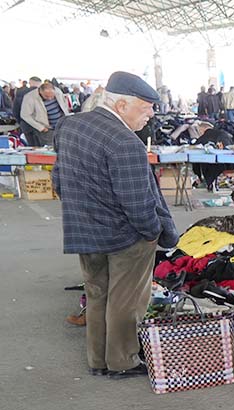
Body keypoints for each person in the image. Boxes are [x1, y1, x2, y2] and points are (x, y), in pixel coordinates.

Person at [54, 72, 178, 378]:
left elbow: (58, 178)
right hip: (125, 237)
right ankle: (122, 361)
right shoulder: (126, 142)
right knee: (127, 301)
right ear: (122, 105)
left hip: (84, 231)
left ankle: (98, 360)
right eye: (146, 107)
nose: (151, 114)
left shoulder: (69, 125)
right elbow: (137, 204)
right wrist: (152, 234)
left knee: (97, 295)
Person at [20, 82, 69, 147]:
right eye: (46, 96)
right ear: (40, 91)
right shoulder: (30, 97)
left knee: (63, 145)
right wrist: (41, 127)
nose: (50, 98)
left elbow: (64, 104)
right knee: (50, 147)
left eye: (52, 96)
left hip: (61, 126)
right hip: (46, 129)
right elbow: (25, 115)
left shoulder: (58, 91)